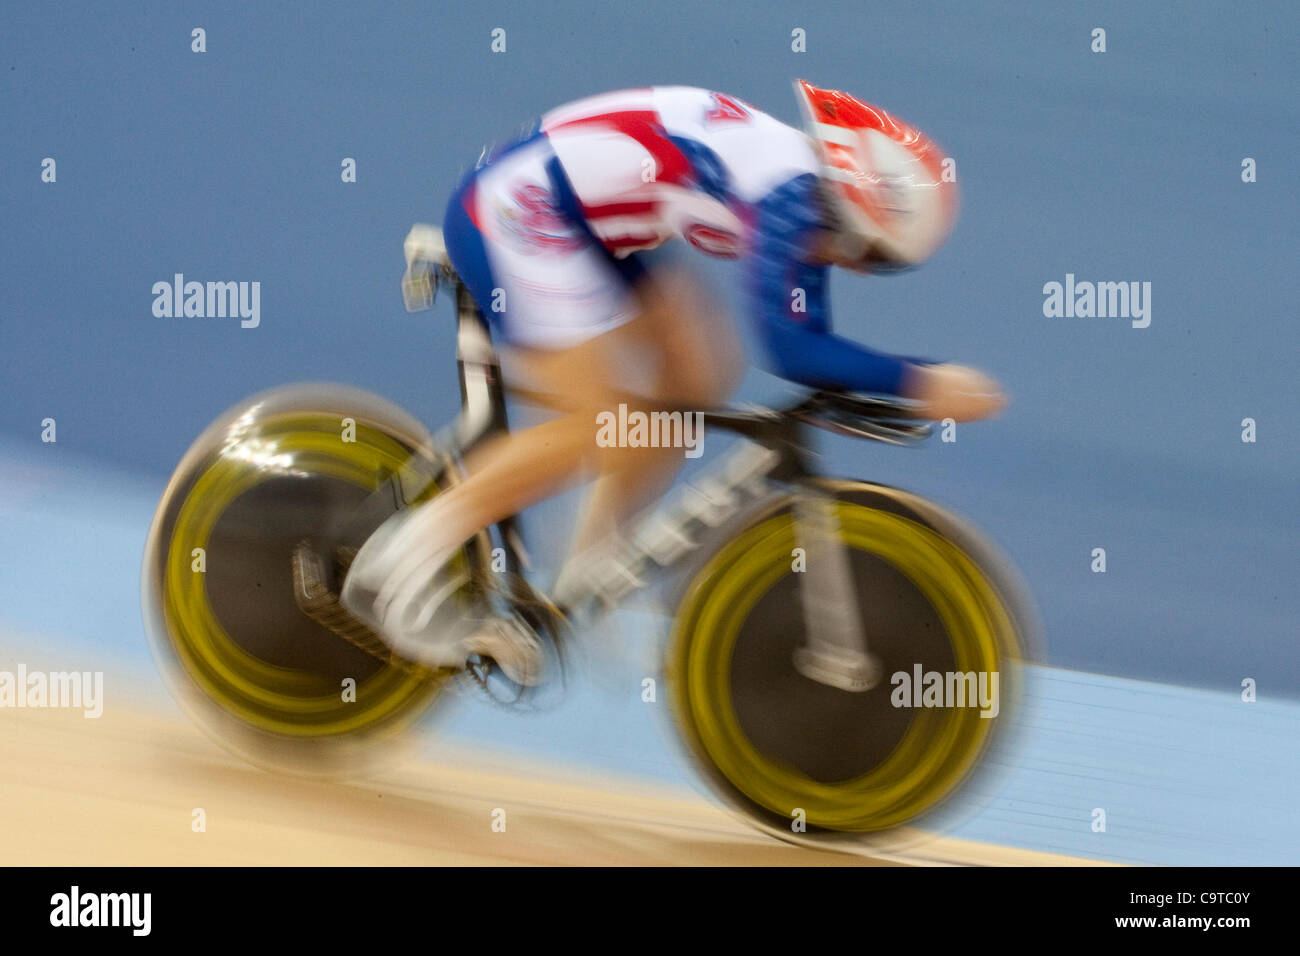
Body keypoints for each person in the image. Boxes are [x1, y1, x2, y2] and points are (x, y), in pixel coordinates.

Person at [340, 81, 1006, 684]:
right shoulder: (787, 200)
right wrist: (921, 383)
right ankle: (393, 569)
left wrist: (895, 378)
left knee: (697, 376)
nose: (862, 271)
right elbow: (793, 349)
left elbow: (805, 329)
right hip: (523, 212)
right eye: (874, 255)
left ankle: (587, 571)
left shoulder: (811, 195)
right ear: (851, 204)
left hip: (585, 220)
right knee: (594, 425)